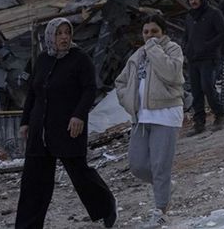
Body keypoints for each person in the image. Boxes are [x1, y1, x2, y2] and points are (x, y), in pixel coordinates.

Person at [15, 18, 117, 229]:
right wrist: (25, 122)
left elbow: (89, 89)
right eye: (58, 33)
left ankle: (106, 206)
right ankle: (27, 226)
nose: (63, 37)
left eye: (66, 33)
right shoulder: (43, 59)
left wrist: (79, 115)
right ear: (50, 36)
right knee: (34, 181)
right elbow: (34, 93)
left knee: (80, 174)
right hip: (39, 129)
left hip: (69, 127)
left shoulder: (80, 59)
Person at [114, 16, 184, 226]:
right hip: (141, 118)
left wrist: (154, 49)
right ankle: (166, 186)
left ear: (162, 32)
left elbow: (171, 74)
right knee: (137, 165)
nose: (149, 36)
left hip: (166, 114)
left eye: (154, 31)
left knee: (160, 166)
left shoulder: (173, 49)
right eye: (146, 32)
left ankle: (161, 210)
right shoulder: (137, 55)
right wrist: (129, 102)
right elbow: (121, 82)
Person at [182, 0, 224, 135]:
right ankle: (199, 122)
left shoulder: (214, 13)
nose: (193, 2)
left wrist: (207, 46)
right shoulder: (189, 16)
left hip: (209, 58)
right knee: (196, 91)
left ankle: (220, 115)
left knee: (207, 86)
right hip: (194, 59)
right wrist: (186, 48)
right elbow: (186, 35)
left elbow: (223, 34)